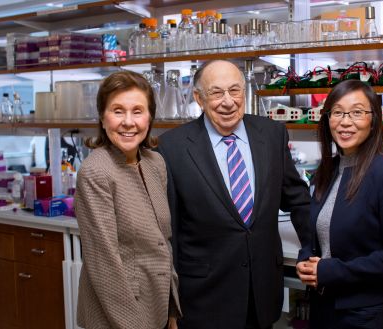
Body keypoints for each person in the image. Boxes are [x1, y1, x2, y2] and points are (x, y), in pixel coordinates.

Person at [157, 60, 312, 329]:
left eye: (235, 90)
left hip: (261, 292)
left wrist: (313, 250)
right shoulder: (172, 147)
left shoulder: (271, 133)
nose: (228, 101)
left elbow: (297, 199)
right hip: (203, 298)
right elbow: (168, 232)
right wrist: (170, 302)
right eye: (216, 93)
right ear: (199, 98)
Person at [296, 80, 383, 329]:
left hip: (363, 311)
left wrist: (330, 271)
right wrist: (306, 259)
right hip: (322, 302)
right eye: (337, 112)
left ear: (373, 120)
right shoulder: (326, 170)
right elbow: (316, 233)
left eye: (357, 112)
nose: (345, 121)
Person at [74, 70, 181, 329]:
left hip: (156, 308)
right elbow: (104, 264)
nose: (128, 122)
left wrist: (171, 311)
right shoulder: (96, 171)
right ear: (102, 116)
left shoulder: (155, 163)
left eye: (138, 111)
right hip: (118, 316)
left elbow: (162, 242)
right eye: (118, 111)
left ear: (150, 117)